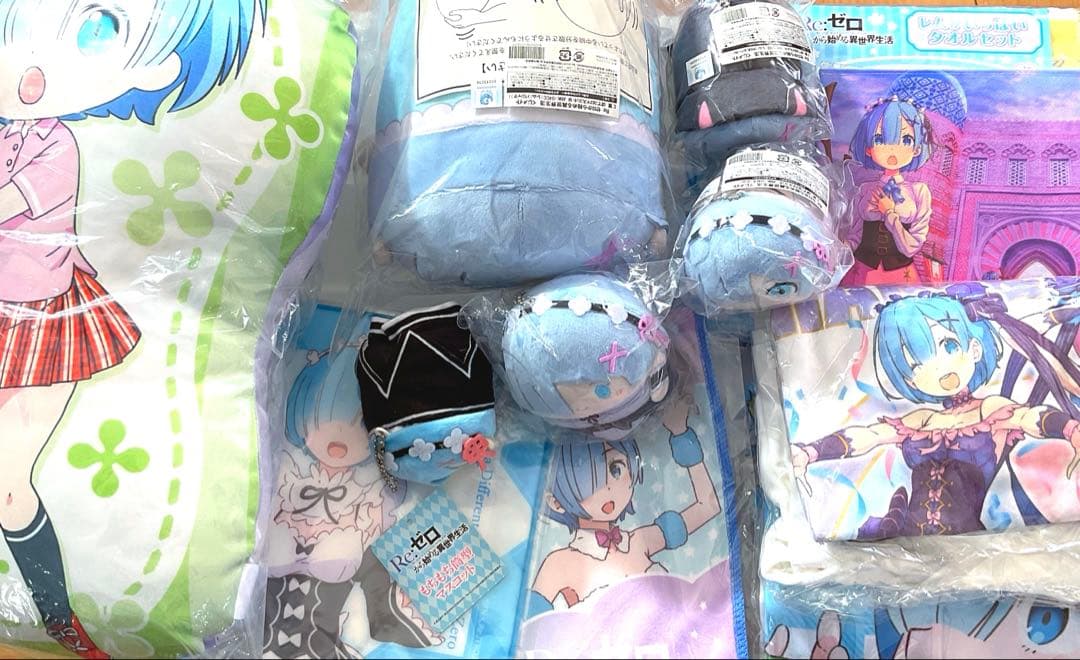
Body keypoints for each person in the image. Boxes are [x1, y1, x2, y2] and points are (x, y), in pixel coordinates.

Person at [0, 3, 264, 656]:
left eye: (97, 30)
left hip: (44, 318)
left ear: (154, 70)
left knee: (8, 484)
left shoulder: (55, 147)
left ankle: (58, 619)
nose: (33, 62)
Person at [842, 96, 933, 286]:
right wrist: (838, 250)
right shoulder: (865, 189)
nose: (892, 149)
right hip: (860, 272)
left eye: (906, 140)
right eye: (880, 139)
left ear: (917, 149)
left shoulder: (919, 192)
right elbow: (855, 235)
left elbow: (911, 247)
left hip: (901, 275)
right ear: (869, 149)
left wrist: (890, 214)